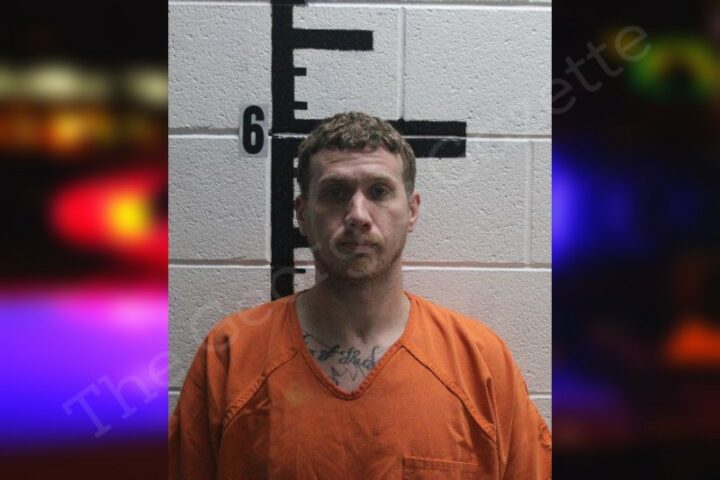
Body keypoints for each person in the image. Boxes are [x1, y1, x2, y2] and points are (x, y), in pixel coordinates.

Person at [169, 112, 551, 479]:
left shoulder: (482, 365)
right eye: (335, 193)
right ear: (302, 215)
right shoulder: (230, 357)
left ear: (412, 211)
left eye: (379, 191)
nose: (358, 215)